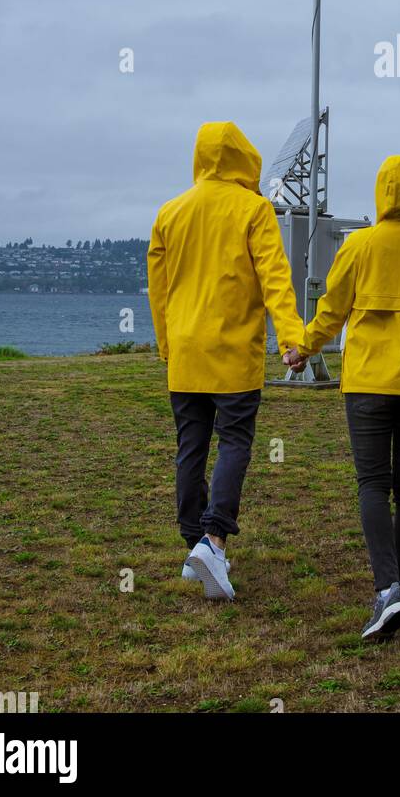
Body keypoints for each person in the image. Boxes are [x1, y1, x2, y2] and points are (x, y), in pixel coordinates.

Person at [282, 155, 400, 641]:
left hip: (366, 383)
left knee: (372, 484)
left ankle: (388, 589)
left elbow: (333, 308)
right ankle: (395, 587)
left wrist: (304, 347)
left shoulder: (360, 244)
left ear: (381, 192)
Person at [148, 121, 304, 601]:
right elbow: (274, 277)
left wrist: (166, 344)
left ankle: (194, 540)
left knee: (190, 448)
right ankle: (213, 539)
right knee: (234, 441)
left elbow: (158, 289)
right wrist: (292, 337)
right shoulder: (254, 209)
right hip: (233, 352)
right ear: (244, 157)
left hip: (187, 353)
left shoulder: (170, 212)